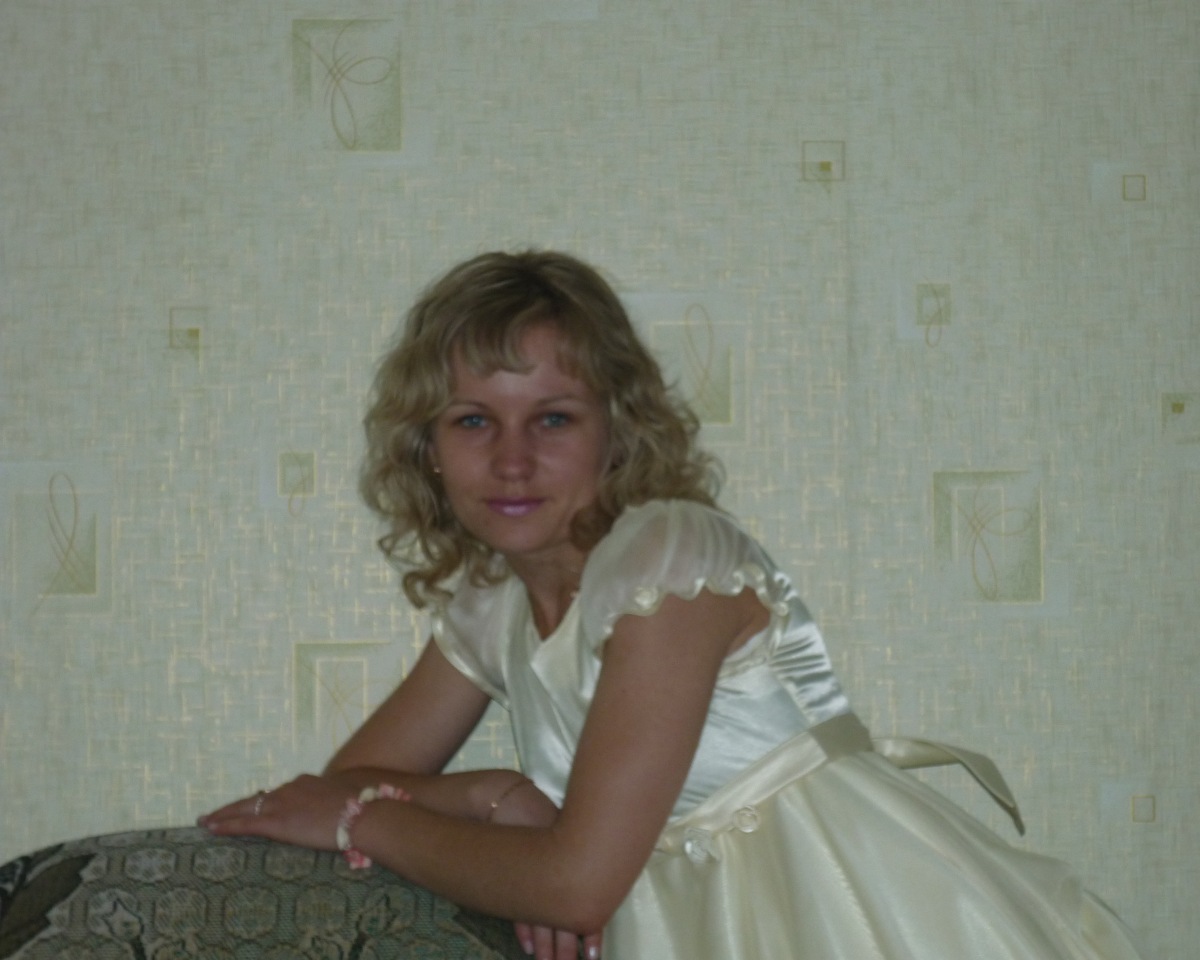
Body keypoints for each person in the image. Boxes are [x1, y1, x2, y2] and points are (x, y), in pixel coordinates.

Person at [201, 250, 1147, 960]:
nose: (513, 459)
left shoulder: (669, 560)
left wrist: (369, 824)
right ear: (428, 451)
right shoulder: (493, 603)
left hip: (848, 914)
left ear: (617, 433)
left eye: (554, 418)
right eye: (474, 420)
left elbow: (569, 884)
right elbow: (356, 777)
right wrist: (498, 796)